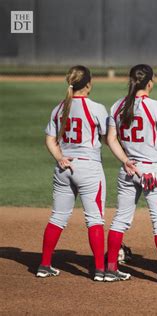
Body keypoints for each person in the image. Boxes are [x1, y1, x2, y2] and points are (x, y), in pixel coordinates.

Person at [38, 65, 108, 281]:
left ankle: (44, 265)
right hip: (88, 168)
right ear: (88, 84)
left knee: (57, 217)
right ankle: (99, 270)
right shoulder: (96, 108)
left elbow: (50, 139)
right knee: (95, 219)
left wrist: (60, 157)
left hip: (63, 167)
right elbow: (107, 138)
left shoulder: (59, 108)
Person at [106, 64, 157, 283]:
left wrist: (126, 160)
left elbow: (110, 139)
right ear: (150, 82)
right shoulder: (155, 106)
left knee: (121, 219)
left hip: (128, 168)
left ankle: (110, 268)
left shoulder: (117, 106)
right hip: (152, 170)